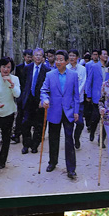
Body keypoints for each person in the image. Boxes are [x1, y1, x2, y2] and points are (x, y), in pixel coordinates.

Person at [40, 50, 80, 178]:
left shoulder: (73, 75)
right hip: (54, 111)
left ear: (67, 61)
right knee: (53, 138)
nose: (58, 62)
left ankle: (71, 169)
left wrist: (76, 111)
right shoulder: (50, 75)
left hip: (68, 111)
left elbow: (76, 96)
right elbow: (44, 90)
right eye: (56, 59)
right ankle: (52, 162)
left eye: (61, 59)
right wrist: (45, 99)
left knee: (69, 139)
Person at [20, 48, 50, 154]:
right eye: (36, 55)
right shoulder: (27, 68)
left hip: (40, 101)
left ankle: (34, 145)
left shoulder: (47, 70)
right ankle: (26, 145)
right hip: (28, 100)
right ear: (33, 57)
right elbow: (23, 84)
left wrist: (44, 100)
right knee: (25, 123)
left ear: (43, 58)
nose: (38, 57)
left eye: (40, 55)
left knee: (39, 125)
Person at [66, 49, 87, 149]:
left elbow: (83, 83)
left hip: (79, 100)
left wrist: (76, 94)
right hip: (68, 100)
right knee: (69, 123)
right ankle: (69, 142)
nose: (71, 57)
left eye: (73, 55)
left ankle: (77, 137)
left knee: (80, 123)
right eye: (70, 55)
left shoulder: (82, 69)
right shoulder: (65, 68)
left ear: (77, 57)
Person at [11, 49, 33, 144]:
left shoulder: (34, 67)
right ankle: (17, 135)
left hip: (31, 95)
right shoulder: (19, 67)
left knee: (29, 116)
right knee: (20, 115)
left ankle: (29, 136)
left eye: (30, 56)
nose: (29, 58)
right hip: (21, 94)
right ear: (24, 57)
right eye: (28, 56)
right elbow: (16, 81)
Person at [84, 50, 103, 143]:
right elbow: (88, 79)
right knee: (95, 116)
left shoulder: (106, 67)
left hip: (105, 96)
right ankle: (92, 130)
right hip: (95, 95)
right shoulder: (89, 65)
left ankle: (101, 139)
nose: (95, 56)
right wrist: (88, 93)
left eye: (97, 54)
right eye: (94, 54)